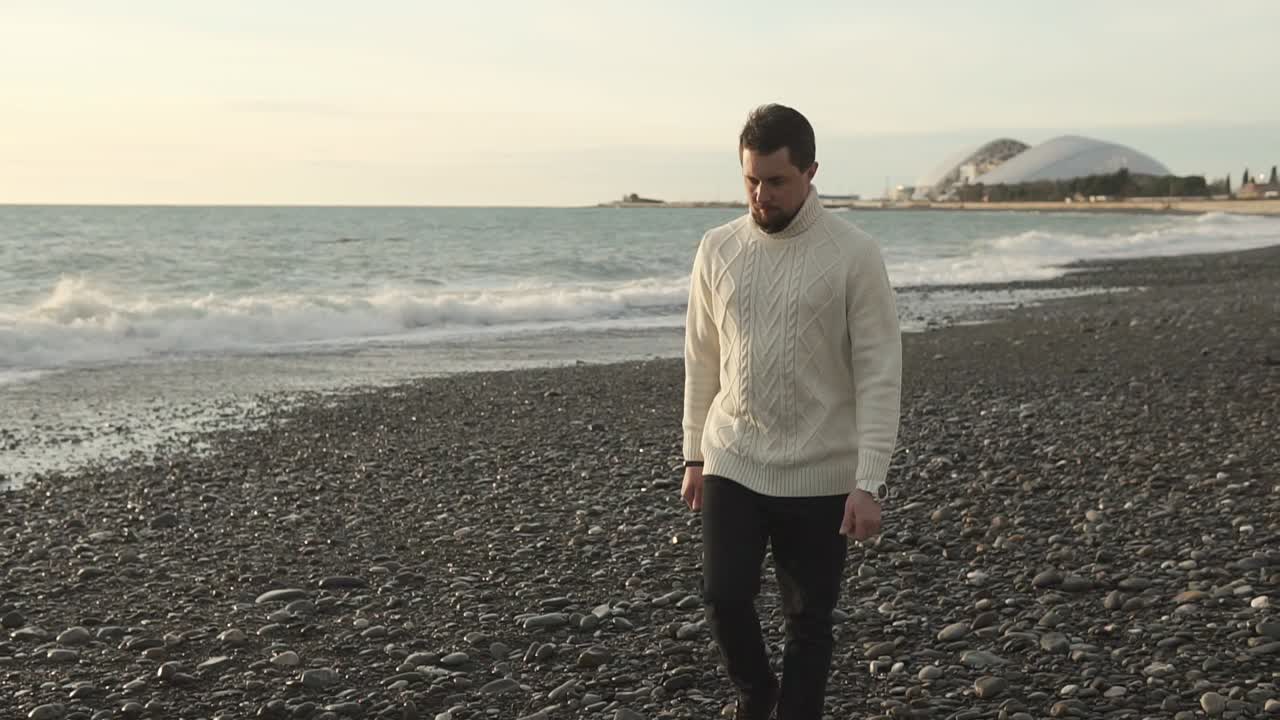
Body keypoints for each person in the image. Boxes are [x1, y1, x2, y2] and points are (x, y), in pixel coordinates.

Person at [680, 104, 902, 720]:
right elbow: (702, 356)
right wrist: (694, 453)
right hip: (734, 456)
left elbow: (881, 372)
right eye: (750, 180)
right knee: (723, 596)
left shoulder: (854, 255)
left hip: (824, 467)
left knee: (810, 620)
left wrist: (869, 482)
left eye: (775, 181)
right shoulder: (717, 248)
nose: (760, 195)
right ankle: (756, 696)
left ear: (810, 172)